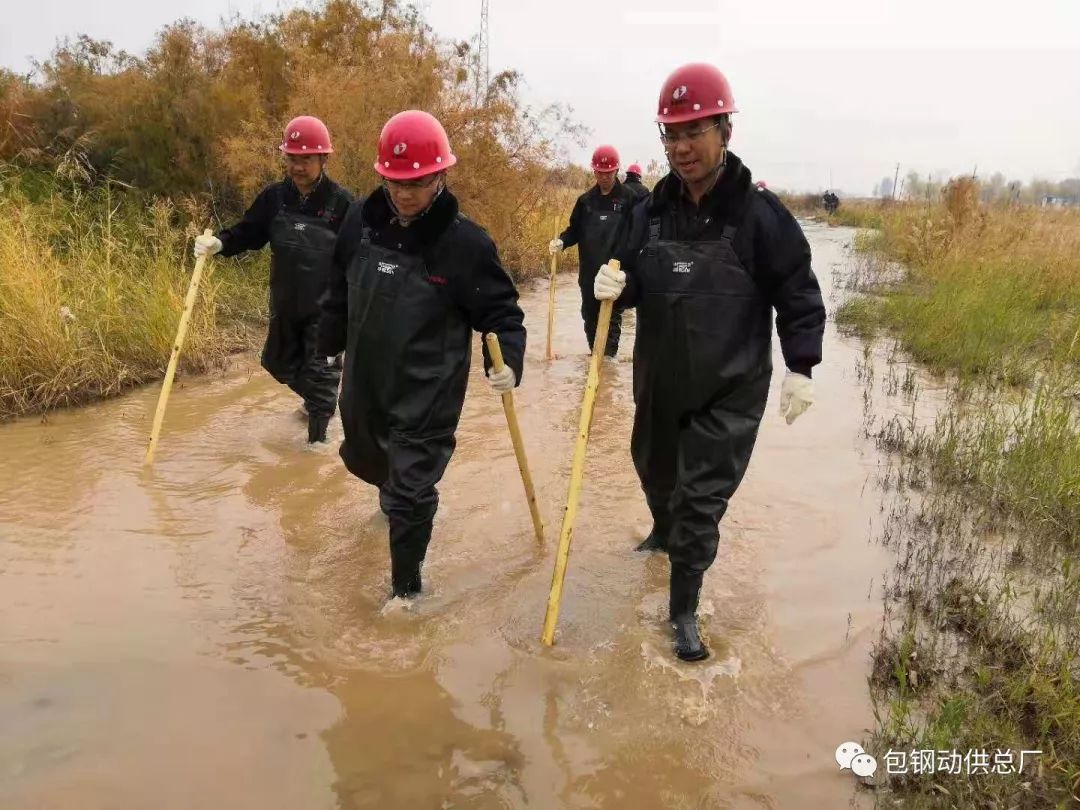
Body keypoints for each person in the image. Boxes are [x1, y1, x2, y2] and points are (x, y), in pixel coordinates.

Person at [593, 63, 825, 662]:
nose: (681, 146)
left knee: (700, 503)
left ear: (725, 131)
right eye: (671, 133)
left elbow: (797, 291)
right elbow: (629, 276)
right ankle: (662, 532)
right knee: (653, 469)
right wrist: (613, 283)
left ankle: (683, 612)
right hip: (661, 381)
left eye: (695, 131)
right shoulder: (649, 212)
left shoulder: (758, 215)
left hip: (730, 389)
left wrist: (802, 367)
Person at [317, 110, 526, 599]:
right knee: (369, 461)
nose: (405, 193)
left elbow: (502, 314)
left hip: (426, 390)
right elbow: (337, 290)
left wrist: (508, 362)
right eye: (395, 181)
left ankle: (406, 596)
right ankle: (393, 501)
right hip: (367, 382)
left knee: (412, 492)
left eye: (418, 181)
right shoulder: (358, 224)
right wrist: (326, 345)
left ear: (441, 175)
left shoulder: (465, 244)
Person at [194, 115, 354, 443]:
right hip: (285, 304)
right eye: (292, 158)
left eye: (306, 158)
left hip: (327, 312)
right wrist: (220, 244)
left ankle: (316, 449)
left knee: (321, 378)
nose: (297, 166)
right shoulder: (274, 198)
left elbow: (360, 256)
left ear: (324, 158)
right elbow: (249, 232)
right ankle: (320, 403)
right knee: (276, 363)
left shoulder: (343, 204)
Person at [549, 145, 636, 358]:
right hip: (588, 274)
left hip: (615, 273)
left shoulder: (630, 199)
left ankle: (607, 363)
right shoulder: (585, 201)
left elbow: (638, 233)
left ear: (617, 171)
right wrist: (561, 241)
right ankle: (595, 357)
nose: (604, 177)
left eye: (609, 172)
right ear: (594, 171)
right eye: (600, 172)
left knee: (612, 320)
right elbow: (574, 231)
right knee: (589, 317)